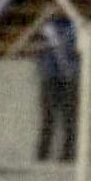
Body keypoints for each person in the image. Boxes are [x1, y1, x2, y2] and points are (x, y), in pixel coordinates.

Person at [35, 11, 78, 163]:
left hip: (68, 76)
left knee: (69, 119)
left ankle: (67, 156)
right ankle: (43, 155)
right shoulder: (47, 28)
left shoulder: (74, 27)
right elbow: (38, 50)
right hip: (51, 76)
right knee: (49, 118)